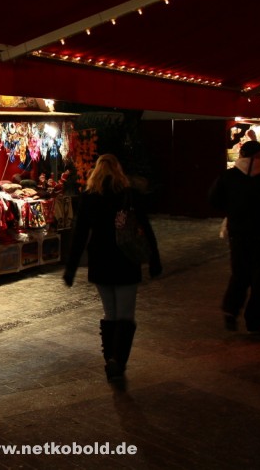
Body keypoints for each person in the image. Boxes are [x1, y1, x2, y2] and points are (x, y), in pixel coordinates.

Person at [63, 154, 162, 382]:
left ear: (96, 172)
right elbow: (146, 228)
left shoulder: (89, 198)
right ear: (118, 170)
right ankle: (118, 360)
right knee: (125, 315)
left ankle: (110, 358)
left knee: (110, 314)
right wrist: (154, 258)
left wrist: (71, 268)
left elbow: (80, 235)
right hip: (126, 259)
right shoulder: (129, 195)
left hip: (100, 260)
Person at [208, 140, 260, 335]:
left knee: (240, 273)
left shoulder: (228, 177)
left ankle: (231, 309)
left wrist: (232, 210)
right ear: (257, 156)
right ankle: (256, 322)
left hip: (238, 233)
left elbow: (213, 199)